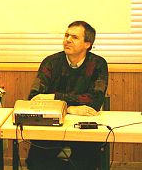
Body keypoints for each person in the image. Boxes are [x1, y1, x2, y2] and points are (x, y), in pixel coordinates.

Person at [25, 20, 108, 170]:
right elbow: (34, 97)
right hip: (52, 127)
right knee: (35, 162)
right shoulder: (51, 62)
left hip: (83, 127)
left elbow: (94, 100)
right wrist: (69, 108)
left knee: (85, 163)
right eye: (66, 35)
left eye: (74, 37)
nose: (67, 40)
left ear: (87, 44)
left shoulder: (98, 64)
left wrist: (54, 97)